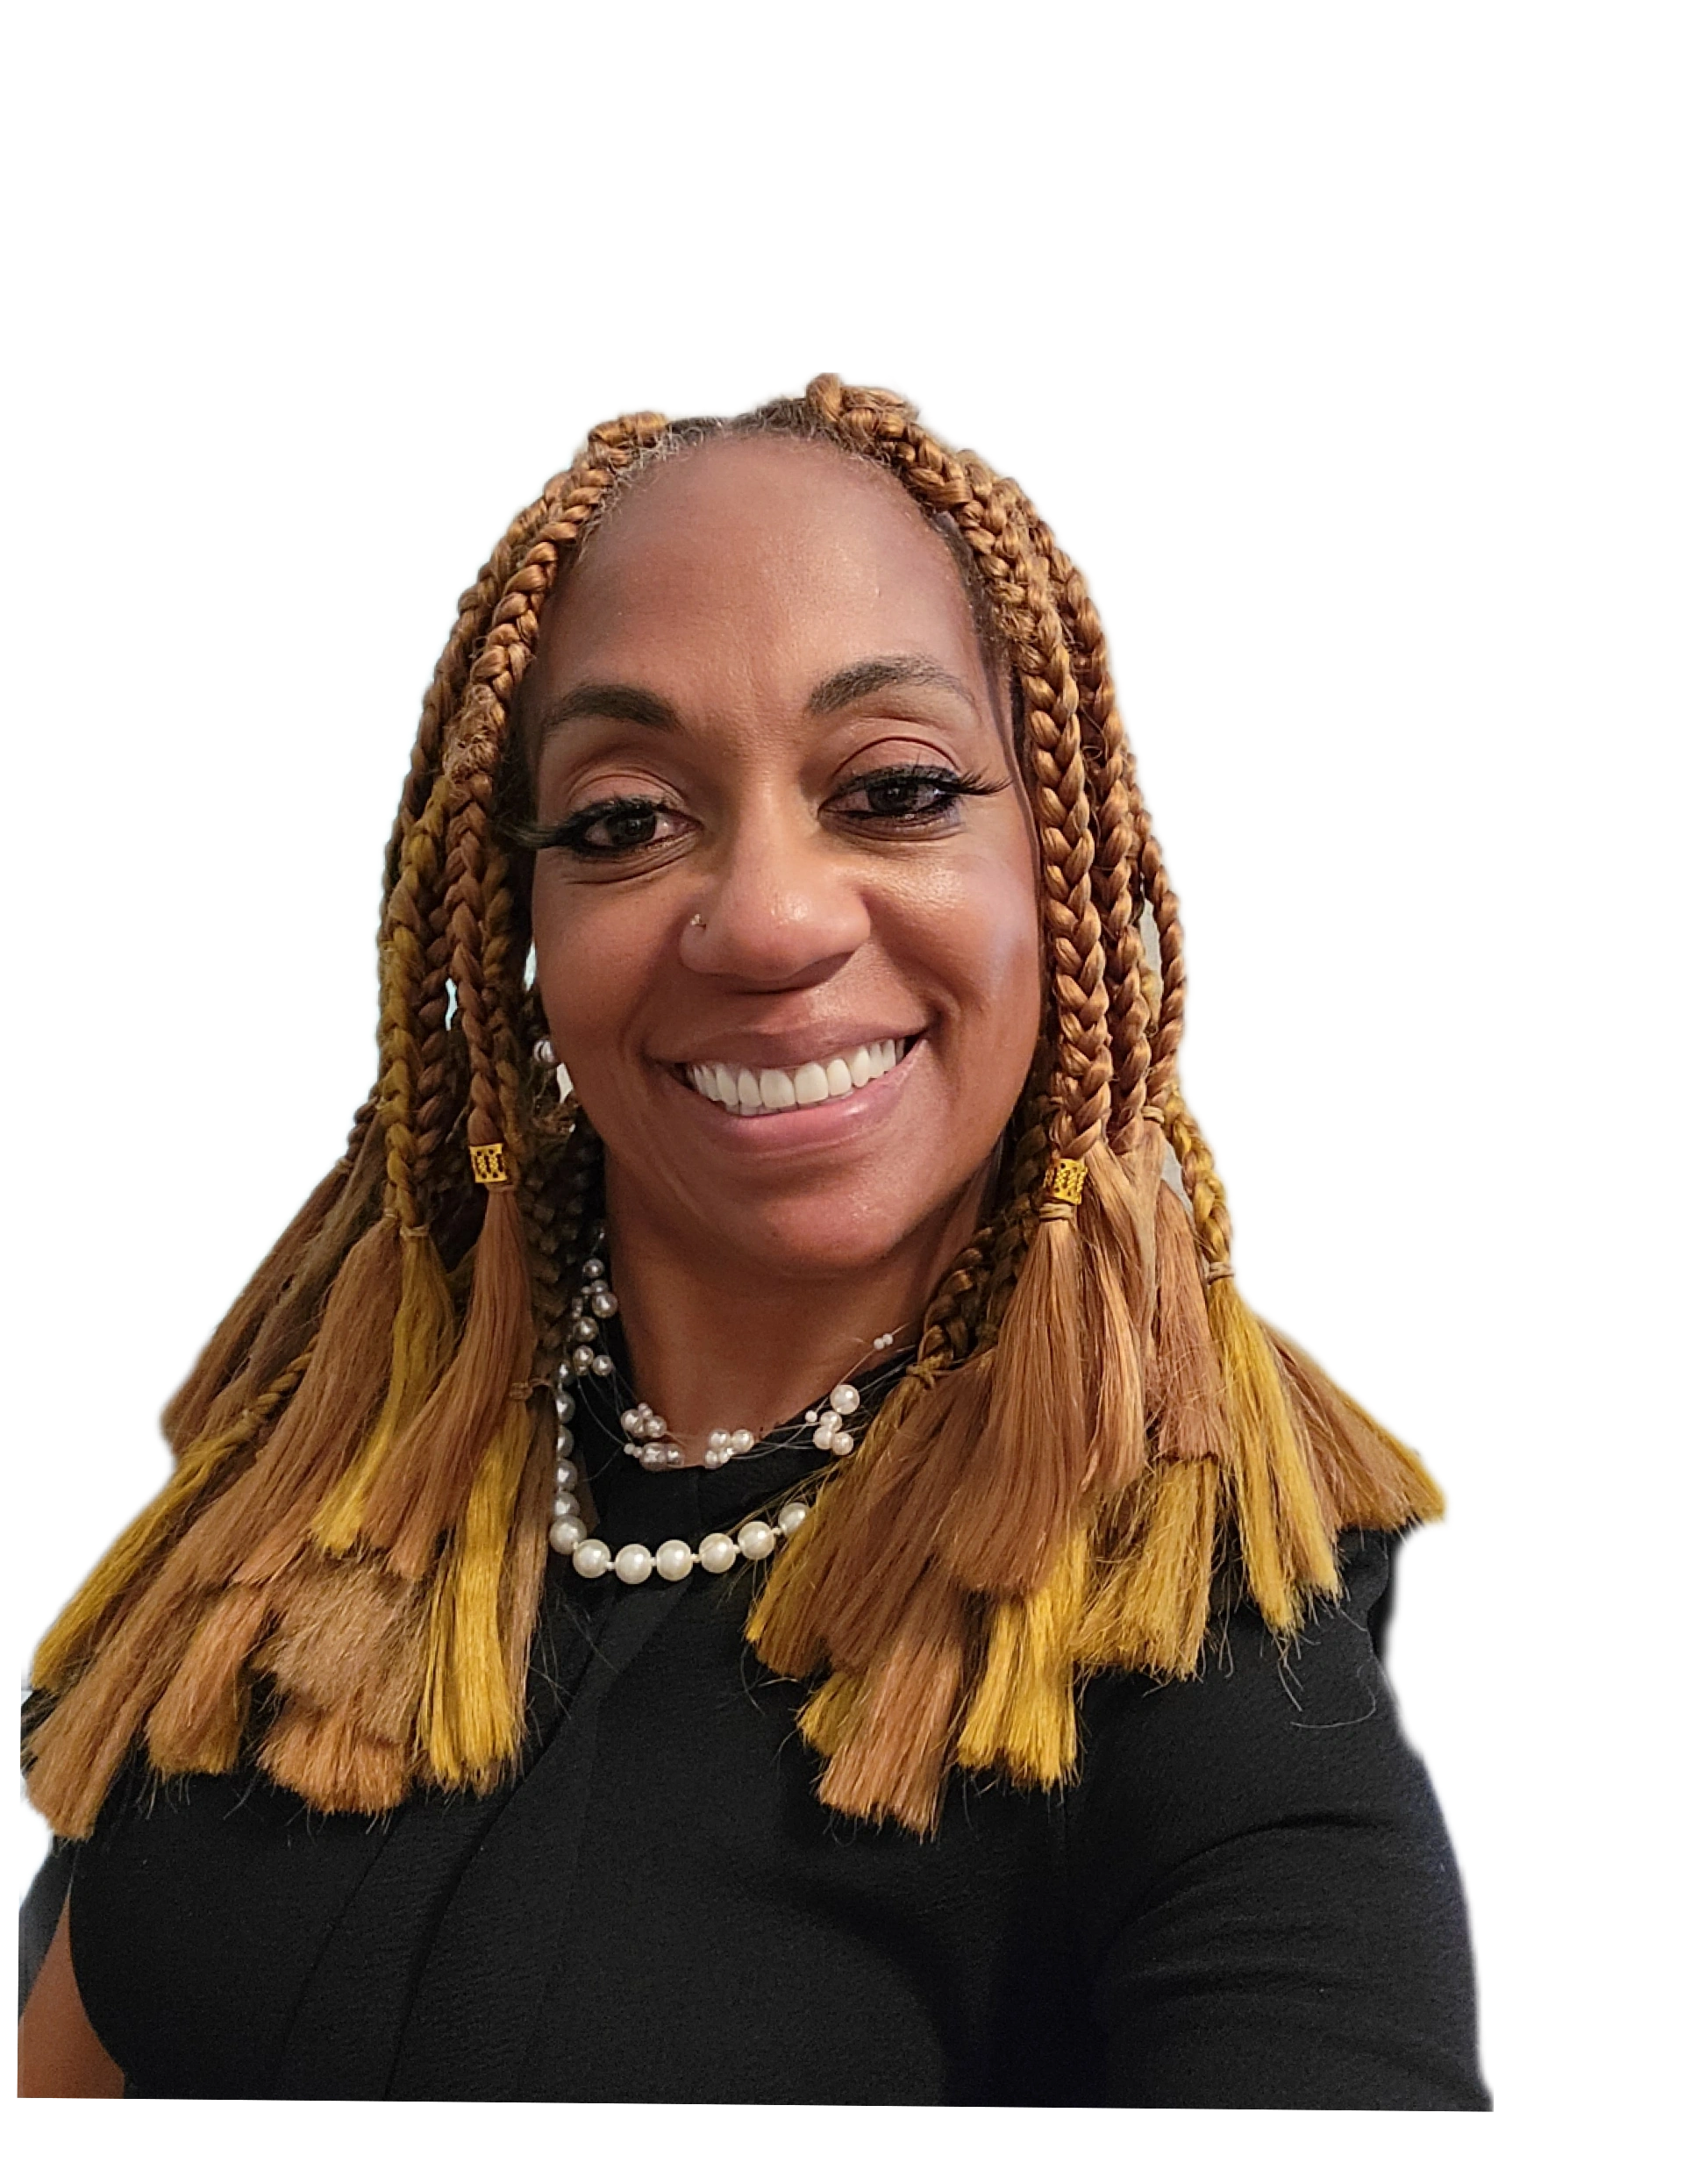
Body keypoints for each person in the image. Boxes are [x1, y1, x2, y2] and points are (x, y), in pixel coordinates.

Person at [15, 373, 1493, 2109]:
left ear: (1063, 867)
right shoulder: (313, 1497)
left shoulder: (1217, 1674)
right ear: (515, 921)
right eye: (626, 821)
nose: (771, 920)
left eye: (896, 790)